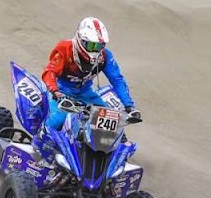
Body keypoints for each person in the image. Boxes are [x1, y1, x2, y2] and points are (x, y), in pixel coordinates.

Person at [34, 17, 141, 150]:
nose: (95, 50)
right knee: (59, 118)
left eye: (99, 46)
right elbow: (49, 72)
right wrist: (56, 92)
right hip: (60, 90)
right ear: (80, 39)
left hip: (85, 93)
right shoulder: (65, 49)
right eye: (91, 45)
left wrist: (129, 106)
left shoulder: (105, 56)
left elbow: (117, 80)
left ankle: (111, 154)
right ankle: (38, 144)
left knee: (112, 120)